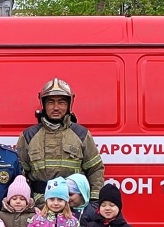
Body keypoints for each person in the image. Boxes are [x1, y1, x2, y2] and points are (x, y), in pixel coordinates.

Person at [16, 79, 105, 207]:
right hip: (39, 206)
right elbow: (20, 174)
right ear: (43, 104)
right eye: (51, 102)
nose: (56, 107)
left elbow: (95, 170)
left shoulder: (81, 134)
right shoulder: (28, 136)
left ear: (69, 104)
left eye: (61, 102)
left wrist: (94, 203)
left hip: (72, 206)